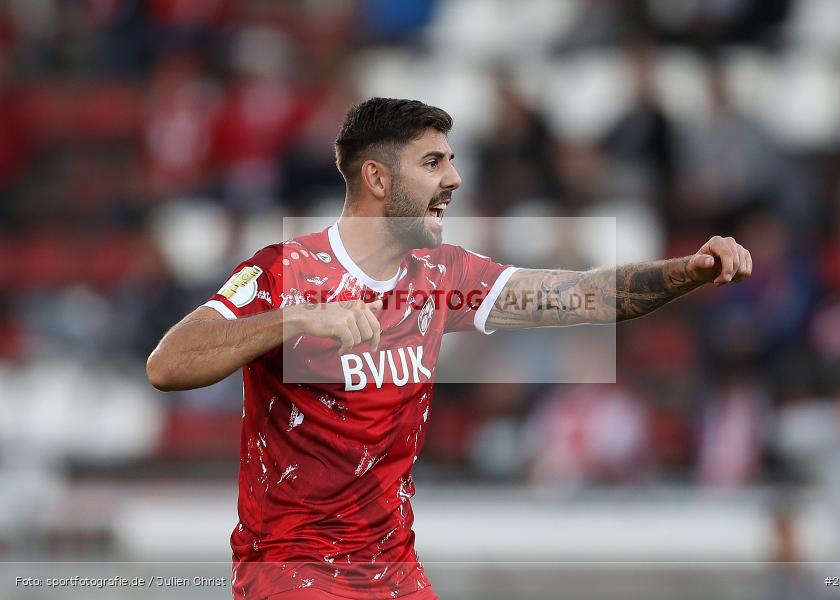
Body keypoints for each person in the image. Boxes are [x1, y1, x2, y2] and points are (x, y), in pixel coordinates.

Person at [146, 97, 753, 600]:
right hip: (290, 569)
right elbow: (169, 364)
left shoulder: (444, 278)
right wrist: (297, 317)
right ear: (378, 178)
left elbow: (584, 296)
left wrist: (689, 271)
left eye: (452, 162)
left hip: (393, 572)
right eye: (433, 163)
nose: (454, 180)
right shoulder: (286, 271)